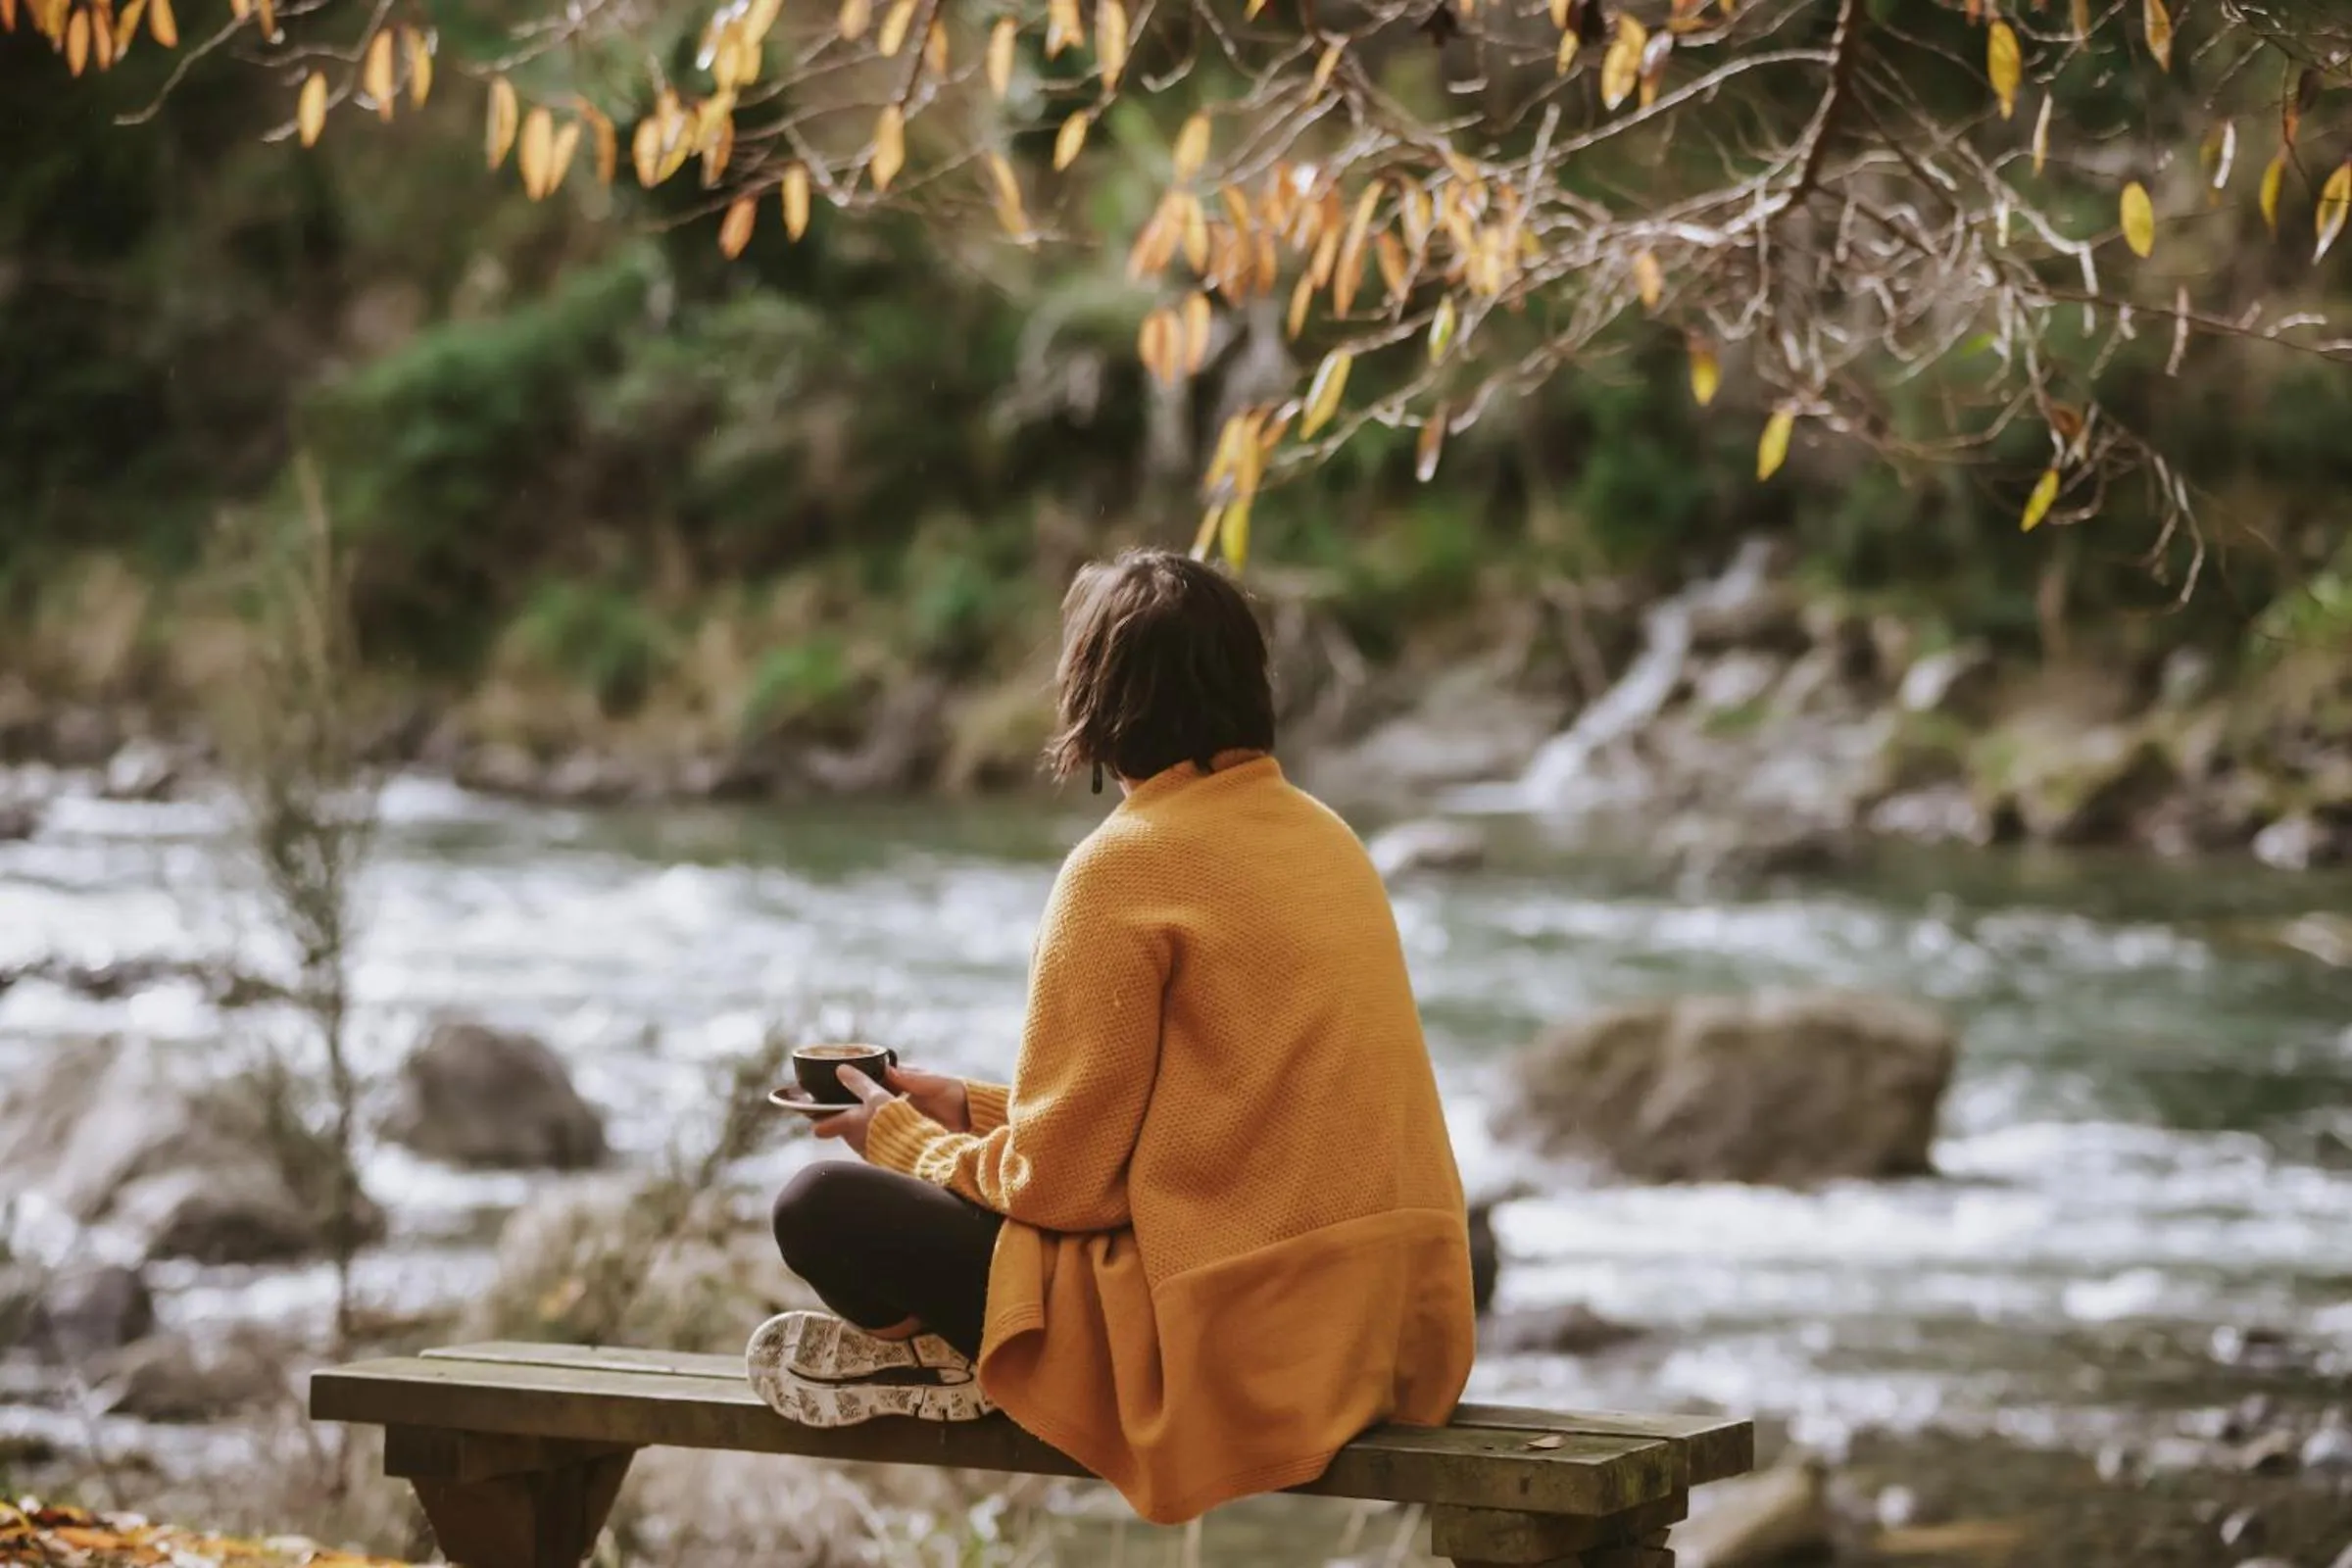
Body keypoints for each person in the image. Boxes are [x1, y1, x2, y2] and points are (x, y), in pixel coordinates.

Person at [748, 548, 1477, 1527]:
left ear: (1098, 697)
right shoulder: (1328, 838)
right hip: (1402, 1327)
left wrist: (901, 1138)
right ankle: (945, 1352)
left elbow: (1066, 1188)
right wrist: (974, 1107)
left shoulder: (1120, 868)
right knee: (942, 1189)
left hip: (1242, 1346)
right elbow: (1216, 1107)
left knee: (819, 1204)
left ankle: (959, 1359)